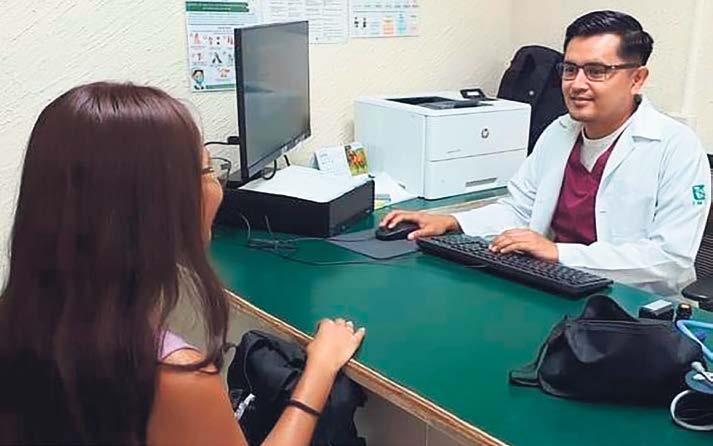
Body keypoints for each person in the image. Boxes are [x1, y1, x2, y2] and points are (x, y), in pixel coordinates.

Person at [0, 82, 365, 445]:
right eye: (208, 171)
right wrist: (319, 370)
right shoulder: (173, 378)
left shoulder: (23, 324)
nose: (217, 186)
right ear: (156, 208)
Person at [381, 10, 711, 296]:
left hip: (634, 304)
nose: (577, 84)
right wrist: (452, 221)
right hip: (555, 285)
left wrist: (558, 253)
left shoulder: (675, 148)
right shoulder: (559, 131)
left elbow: (669, 260)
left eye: (596, 71)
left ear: (637, 78)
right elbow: (520, 210)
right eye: (570, 69)